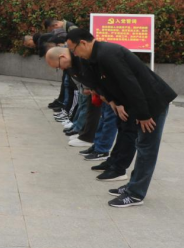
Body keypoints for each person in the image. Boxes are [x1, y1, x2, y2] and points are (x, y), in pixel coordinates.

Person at [66, 29, 177, 208]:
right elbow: (102, 84)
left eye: (74, 49)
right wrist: (114, 102)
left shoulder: (108, 54)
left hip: (152, 102)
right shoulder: (94, 58)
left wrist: (143, 115)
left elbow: (130, 84)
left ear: (84, 43)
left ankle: (135, 194)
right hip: (138, 103)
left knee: (146, 148)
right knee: (141, 143)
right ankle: (133, 186)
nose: (74, 54)